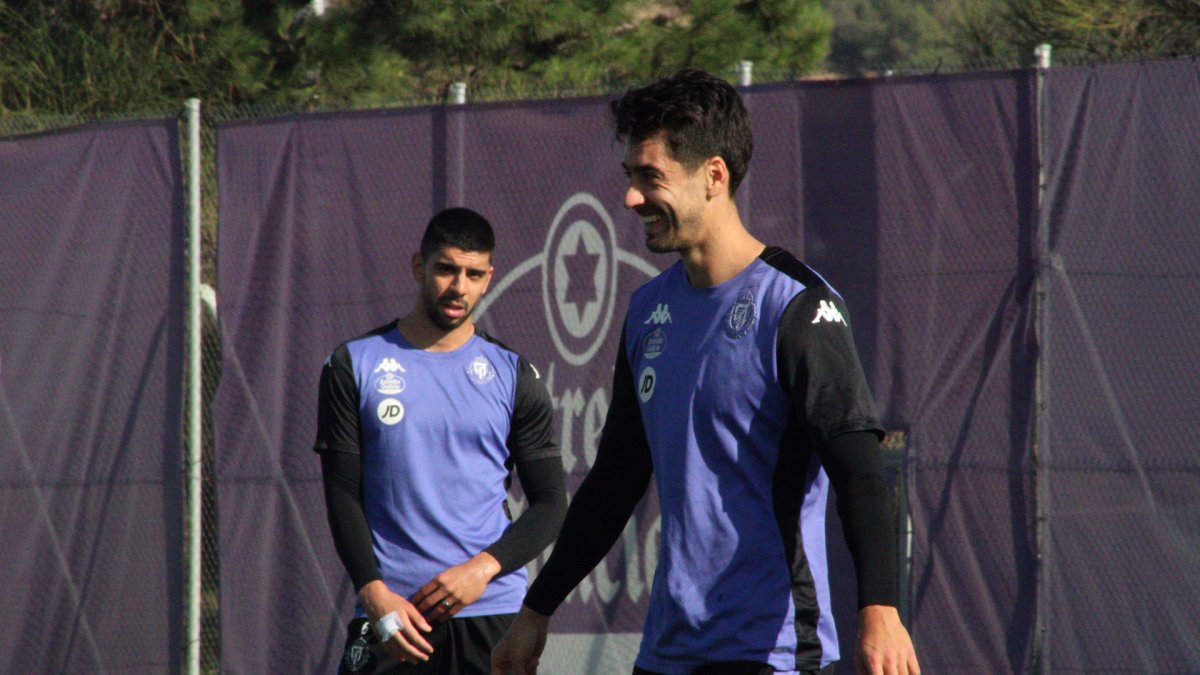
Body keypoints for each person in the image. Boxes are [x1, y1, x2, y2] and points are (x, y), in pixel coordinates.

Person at [491, 70, 920, 675]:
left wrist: (880, 610)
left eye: (650, 177)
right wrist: (537, 609)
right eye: (631, 177)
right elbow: (615, 480)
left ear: (714, 176)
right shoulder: (647, 310)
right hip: (668, 653)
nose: (631, 198)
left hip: (769, 655)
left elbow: (859, 469)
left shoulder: (796, 307)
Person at [315, 207, 567, 674]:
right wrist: (372, 591)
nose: (459, 287)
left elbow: (552, 502)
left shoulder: (514, 375)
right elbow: (342, 492)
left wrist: (483, 569)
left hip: (490, 614)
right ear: (418, 266)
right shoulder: (354, 365)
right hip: (395, 614)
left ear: (489, 278)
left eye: (473, 274)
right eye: (446, 269)